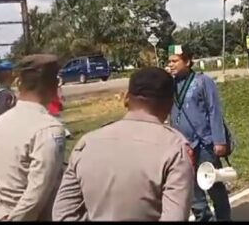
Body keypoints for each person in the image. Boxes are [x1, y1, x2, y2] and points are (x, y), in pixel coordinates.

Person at [52, 67, 194, 221]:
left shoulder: (87, 143)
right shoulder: (174, 148)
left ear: (126, 98)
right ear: (170, 104)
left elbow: (62, 213)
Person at [0, 54, 66, 221]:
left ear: (19, 83)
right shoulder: (49, 129)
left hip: (0, 214)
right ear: (54, 85)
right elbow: (38, 192)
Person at [167, 44, 233, 222]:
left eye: (175, 61)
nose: (171, 65)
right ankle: (203, 218)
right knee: (191, 189)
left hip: (205, 143)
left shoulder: (203, 81)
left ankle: (224, 218)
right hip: (183, 146)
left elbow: (214, 110)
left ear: (187, 61)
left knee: (214, 185)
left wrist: (219, 140)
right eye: (169, 61)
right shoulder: (170, 85)